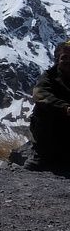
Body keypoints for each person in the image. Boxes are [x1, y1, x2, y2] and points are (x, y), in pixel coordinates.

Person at [25, 41, 70, 171]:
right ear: (57, 59)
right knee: (41, 110)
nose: (67, 61)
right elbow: (40, 94)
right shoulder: (48, 76)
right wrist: (64, 108)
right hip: (54, 126)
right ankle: (41, 155)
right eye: (64, 57)